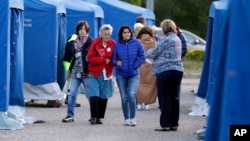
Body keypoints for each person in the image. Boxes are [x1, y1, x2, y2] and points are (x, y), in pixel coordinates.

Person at [145, 19, 184, 131]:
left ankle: (165, 124)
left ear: (165, 28)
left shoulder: (165, 40)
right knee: (174, 98)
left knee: (164, 97)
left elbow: (153, 53)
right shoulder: (178, 39)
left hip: (165, 71)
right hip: (178, 70)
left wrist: (144, 53)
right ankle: (174, 123)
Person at [112, 25, 145, 126]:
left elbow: (142, 57)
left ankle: (133, 118)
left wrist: (135, 66)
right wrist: (117, 63)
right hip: (121, 74)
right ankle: (126, 117)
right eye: (124, 32)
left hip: (134, 74)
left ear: (131, 33)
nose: (127, 34)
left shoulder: (137, 43)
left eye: (128, 32)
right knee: (124, 97)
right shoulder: (117, 45)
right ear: (121, 34)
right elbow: (113, 59)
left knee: (131, 95)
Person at [62, 20, 92, 123]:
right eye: (80, 29)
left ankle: (94, 115)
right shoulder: (75, 42)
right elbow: (73, 57)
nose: (82, 31)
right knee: (72, 94)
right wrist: (69, 71)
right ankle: (70, 115)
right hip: (75, 72)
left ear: (87, 30)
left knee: (89, 95)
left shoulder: (91, 42)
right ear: (77, 31)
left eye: (84, 29)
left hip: (87, 73)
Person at [86, 24, 115, 125]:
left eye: (109, 34)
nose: (107, 36)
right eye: (105, 34)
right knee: (94, 93)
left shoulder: (113, 44)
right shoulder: (95, 43)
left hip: (107, 73)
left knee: (104, 95)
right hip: (94, 72)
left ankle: (99, 117)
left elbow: (115, 57)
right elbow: (90, 57)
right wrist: (103, 60)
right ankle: (93, 116)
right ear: (101, 34)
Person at [136, 26, 157, 111]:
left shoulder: (137, 42)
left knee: (139, 84)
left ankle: (139, 104)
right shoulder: (154, 42)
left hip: (139, 65)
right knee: (150, 85)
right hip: (151, 65)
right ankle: (147, 103)